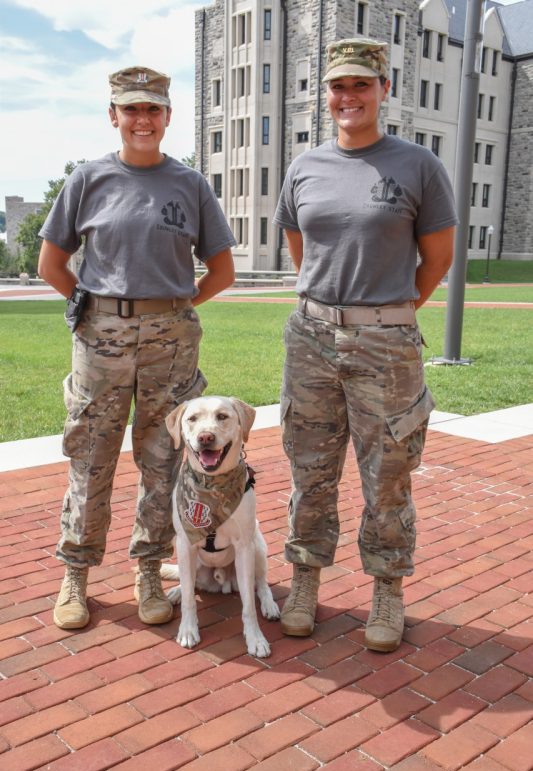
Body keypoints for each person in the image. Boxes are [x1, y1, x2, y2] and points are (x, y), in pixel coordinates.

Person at [273, 38, 458, 652]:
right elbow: (303, 251)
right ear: (325, 95)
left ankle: (386, 589)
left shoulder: (418, 166)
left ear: (384, 90)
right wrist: (333, 307)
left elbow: (437, 258)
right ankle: (304, 582)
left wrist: (387, 313)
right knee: (309, 468)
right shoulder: (304, 167)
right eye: (337, 86)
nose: (348, 96)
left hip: (387, 343)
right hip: (311, 339)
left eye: (360, 84)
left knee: (388, 474)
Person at [38, 66, 236, 630]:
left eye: (153, 109)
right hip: (100, 340)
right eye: (131, 109)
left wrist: (174, 304)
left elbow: (222, 269)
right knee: (90, 457)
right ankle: (75, 574)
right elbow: (51, 264)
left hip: (170, 345)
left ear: (168, 117)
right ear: (114, 116)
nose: (142, 120)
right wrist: (95, 307)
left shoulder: (190, 184)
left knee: (165, 461)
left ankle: (149, 569)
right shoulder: (88, 178)